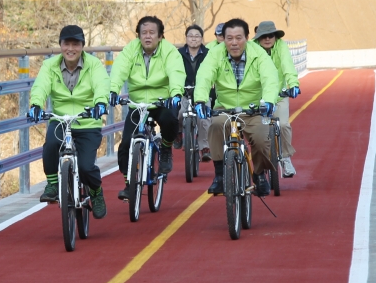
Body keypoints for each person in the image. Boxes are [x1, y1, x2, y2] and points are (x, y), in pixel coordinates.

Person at [29, 25, 109, 219]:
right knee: (50, 146)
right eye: (67, 44)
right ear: (60, 45)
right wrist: (36, 104)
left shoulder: (94, 65)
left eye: (76, 44)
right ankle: (53, 184)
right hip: (61, 120)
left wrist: (100, 103)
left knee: (86, 167)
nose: (70, 48)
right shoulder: (50, 65)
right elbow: (41, 86)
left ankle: (96, 192)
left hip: (87, 121)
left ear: (82, 46)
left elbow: (101, 85)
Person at [194, 18, 280, 196]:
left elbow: (270, 78)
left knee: (262, 139)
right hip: (225, 108)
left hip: (254, 109)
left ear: (247, 38)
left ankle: (259, 175)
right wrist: (201, 100)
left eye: (239, 38)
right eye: (229, 38)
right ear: (223, 39)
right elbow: (204, 76)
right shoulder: (215, 54)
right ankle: (219, 175)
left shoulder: (258, 54)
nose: (234, 43)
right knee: (216, 125)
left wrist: (269, 101)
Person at [109, 16, 186, 200]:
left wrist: (175, 94)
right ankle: (129, 183)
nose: (148, 36)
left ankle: (166, 148)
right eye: (144, 33)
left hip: (162, 100)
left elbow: (176, 71)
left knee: (170, 120)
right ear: (138, 36)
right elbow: (119, 69)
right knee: (126, 144)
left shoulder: (169, 51)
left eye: (152, 33)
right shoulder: (131, 50)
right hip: (139, 103)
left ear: (160, 36)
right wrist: (112, 90)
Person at [253, 20, 300, 177]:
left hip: (279, 95)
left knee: (284, 125)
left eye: (271, 35)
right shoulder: (251, 49)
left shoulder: (281, 47)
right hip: (258, 97)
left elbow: (288, 66)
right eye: (263, 36)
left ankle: (286, 159)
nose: (267, 39)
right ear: (258, 38)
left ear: (275, 36)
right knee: (256, 131)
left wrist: (293, 84)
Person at [174, 24, 212, 162]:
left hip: (202, 91)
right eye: (190, 36)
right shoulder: (178, 54)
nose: (194, 39)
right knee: (178, 112)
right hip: (184, 91)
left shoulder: (208, 54)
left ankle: (205, 147)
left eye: (197, 36)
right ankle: (178, 133)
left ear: (202, 38)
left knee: (204, 117)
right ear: (186, 38)